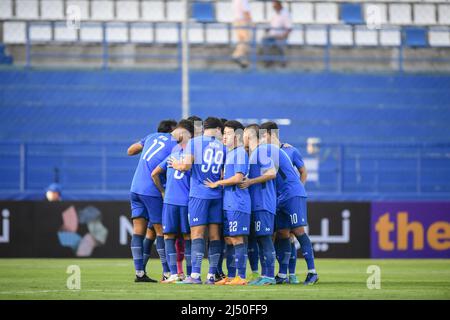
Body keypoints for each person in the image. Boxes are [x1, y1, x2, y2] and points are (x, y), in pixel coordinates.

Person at [259, 121, 318, 285]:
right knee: (283, 233)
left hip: (291, 195)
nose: (261, 139)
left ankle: (312, 272)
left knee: (298, 231)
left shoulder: (290, 150)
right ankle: (283, 274)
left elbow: (303, 171)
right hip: (278, 198)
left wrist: (298, 189)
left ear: (271, 134)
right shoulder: (266, 151)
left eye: (263, 136)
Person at [170, 117, 226, 285]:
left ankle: (195, 275)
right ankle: (211, 275)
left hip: (199, 195)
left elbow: (186, 166)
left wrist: (177, 164)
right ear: (217, 129)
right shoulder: (223, 147)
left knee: (197, 234)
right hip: (217, 195)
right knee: (215, 235)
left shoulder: (194, 142)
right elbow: (223, 174)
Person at [128, 119, 178, 283]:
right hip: (152, 190)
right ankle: (166, 272)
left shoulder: (150, 137)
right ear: (172, 130)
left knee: (138, 231)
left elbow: (130, 150)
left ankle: (140, 273)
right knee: (161, 231)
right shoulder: (173, 142)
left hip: (135, 187)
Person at [205, 120, 251, 285]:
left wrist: (218, 183)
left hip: (238, 203)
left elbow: (239, 178)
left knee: (237, 239)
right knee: (229, 239)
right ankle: (231, 277)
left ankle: (242, 276)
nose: (224, 137)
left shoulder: (239, 153)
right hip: (228, 203)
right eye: (223, 134)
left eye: (228, 134)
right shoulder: (231, 153)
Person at [151, 119, 194, 283]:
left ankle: (174, 274)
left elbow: (154, 173)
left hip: (170, 201)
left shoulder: (173, 155)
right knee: (187, 237)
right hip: (186, 202)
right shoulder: (193, 157)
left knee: (169, 236)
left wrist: (163, 191)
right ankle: (190, 275)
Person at [239, 124, 278, 285]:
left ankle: (269, 276)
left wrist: (250, 182)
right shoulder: (253, 154)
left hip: (263, 203)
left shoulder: (261, 152)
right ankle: (264, 275)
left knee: (265, 239)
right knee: (261, 240)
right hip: (257, 204)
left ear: (248, 136)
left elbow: (271, 173)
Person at [260, 1, 292, 68]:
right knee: (264, 40)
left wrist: (283, 36)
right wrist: (267, 29)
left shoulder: (285, 14)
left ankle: (282, 62)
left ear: (279, 4)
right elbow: (272, 25)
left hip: (280, 36)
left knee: (279, 44)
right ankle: (268, 61)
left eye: (274, 5)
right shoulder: (274, 13)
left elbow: (289, 28)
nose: (273, 7)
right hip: (272, 35)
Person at [232, 0, 252, 69]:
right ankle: (237, 55)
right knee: (246, 40)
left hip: (236, 21)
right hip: (243, 21)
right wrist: (251, 22)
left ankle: (244, 62)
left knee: (241, 41)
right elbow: (246, 12)